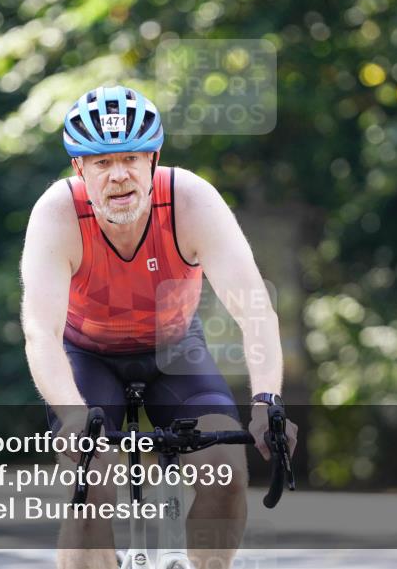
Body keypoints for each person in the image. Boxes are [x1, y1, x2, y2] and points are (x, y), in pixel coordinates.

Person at [20, 85, 297, 569]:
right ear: (78, 169)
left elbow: (255, 311)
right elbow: (40, 333)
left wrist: (266, 402)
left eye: (130, 157)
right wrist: (71, 417)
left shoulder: (190, 201)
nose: (119, 175)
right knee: (92, 477)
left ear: (154, 158)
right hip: (86, 354)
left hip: (173, 350)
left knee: (224, 469)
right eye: (102, 163)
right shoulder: (57, 214)